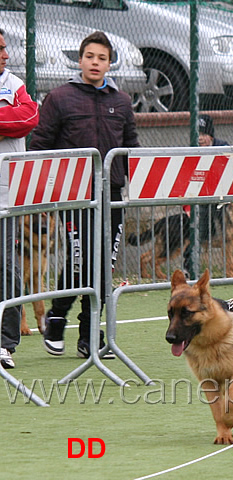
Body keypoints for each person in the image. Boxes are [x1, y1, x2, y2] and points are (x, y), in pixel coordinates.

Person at [30, 31, 140, 359]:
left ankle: (90, 334)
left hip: (113, 195)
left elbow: (131, 147)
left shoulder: (121, 102)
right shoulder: (60, 97)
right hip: (76, 196)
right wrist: (42, 191)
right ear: (80, 60)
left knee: (104, 265)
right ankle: (57, 318)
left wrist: (144, 181)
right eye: (90, 57)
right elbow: (40, 145)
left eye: (102, 58)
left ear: (109, 64)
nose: (95, 63)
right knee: (80, 261)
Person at [0, 28, 39, 369]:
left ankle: (5, 343)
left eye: (5, 48)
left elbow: (27, 117)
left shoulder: (14, 84)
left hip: (5, 196)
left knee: (7, 269)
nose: (6, 55)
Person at [183, 114, 233, 276]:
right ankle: (188, 266)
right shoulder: (192, 148)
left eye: (204, 135)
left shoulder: (223, 147)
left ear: (211, 135)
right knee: (198, 230)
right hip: (203, 196)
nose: (200, 139)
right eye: (197, 135)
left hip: (224, 196)